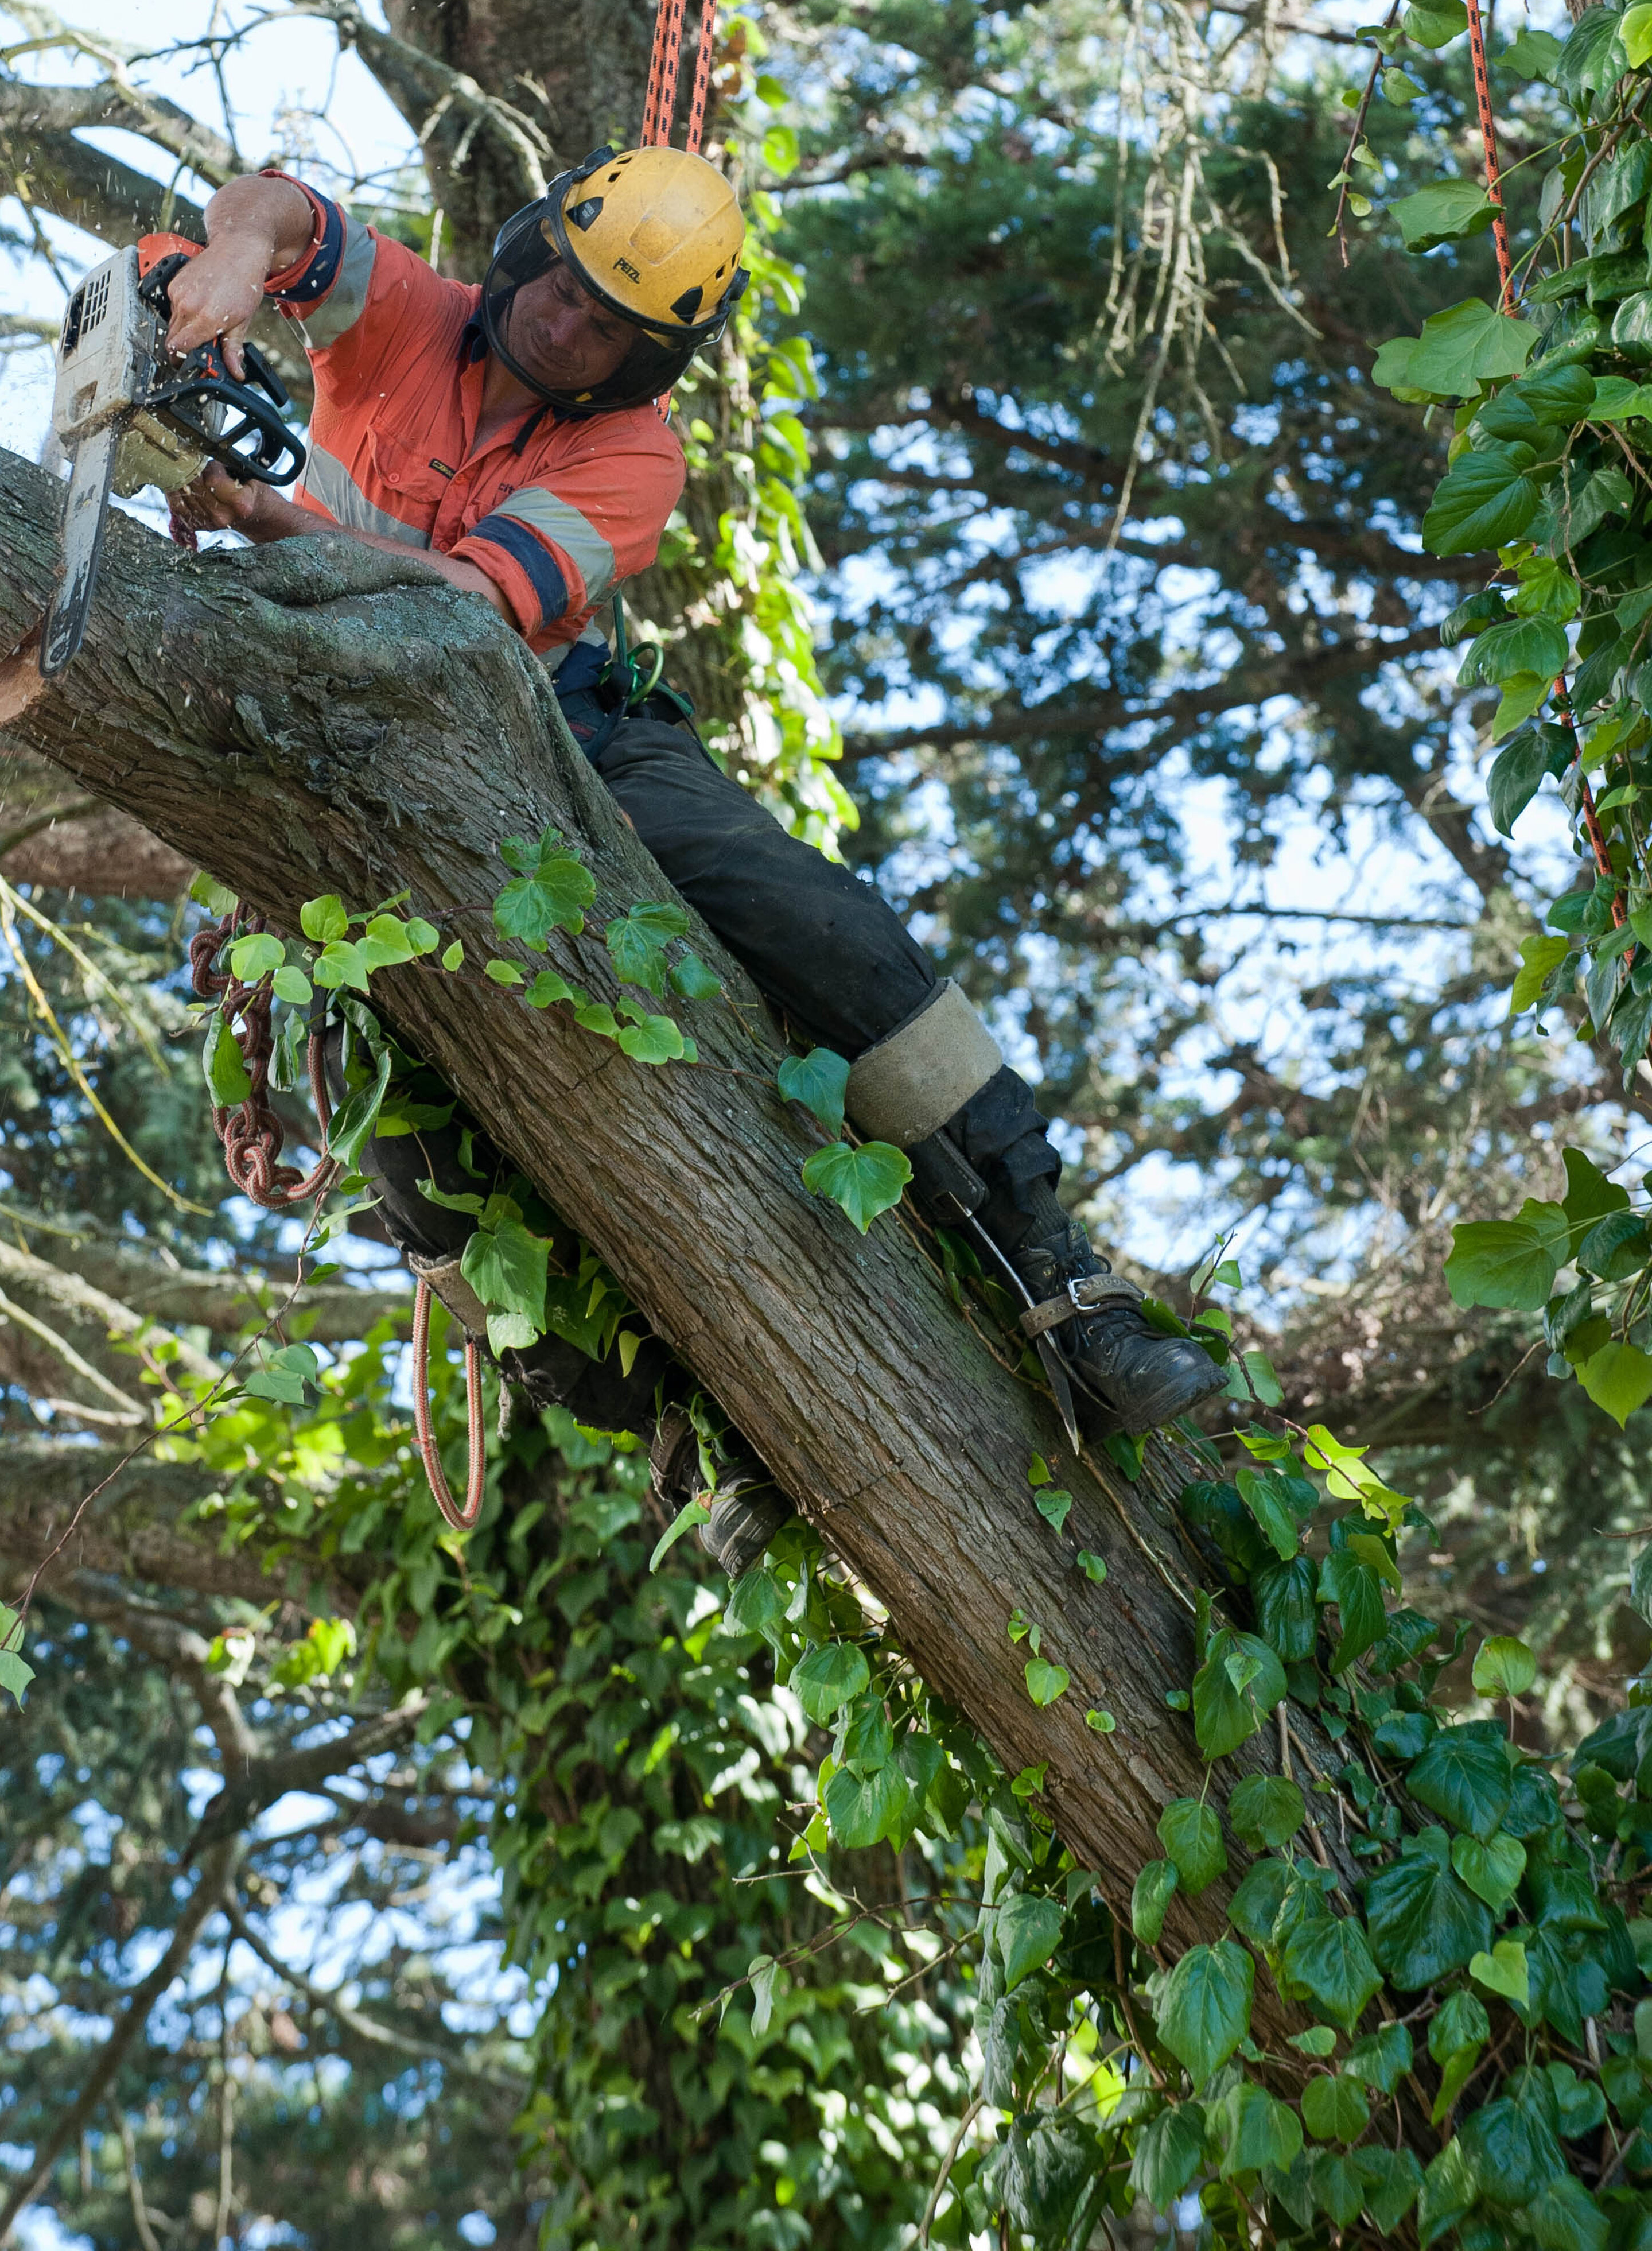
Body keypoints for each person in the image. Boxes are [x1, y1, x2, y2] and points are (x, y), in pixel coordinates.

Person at [161, 150, 1220, 1574]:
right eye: (569, 292)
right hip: (323, 759)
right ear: (537, 251)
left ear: (647, 358)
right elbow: (286, 212)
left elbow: (475, 618)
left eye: (612, 329)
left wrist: (276, 523)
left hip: (560, 726)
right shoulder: (406, 312)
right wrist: (232, 260)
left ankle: (1054, 1274)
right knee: (411, 1160)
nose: (568, 329)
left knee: (814, 917)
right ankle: (677, 1427)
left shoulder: (632, 454)